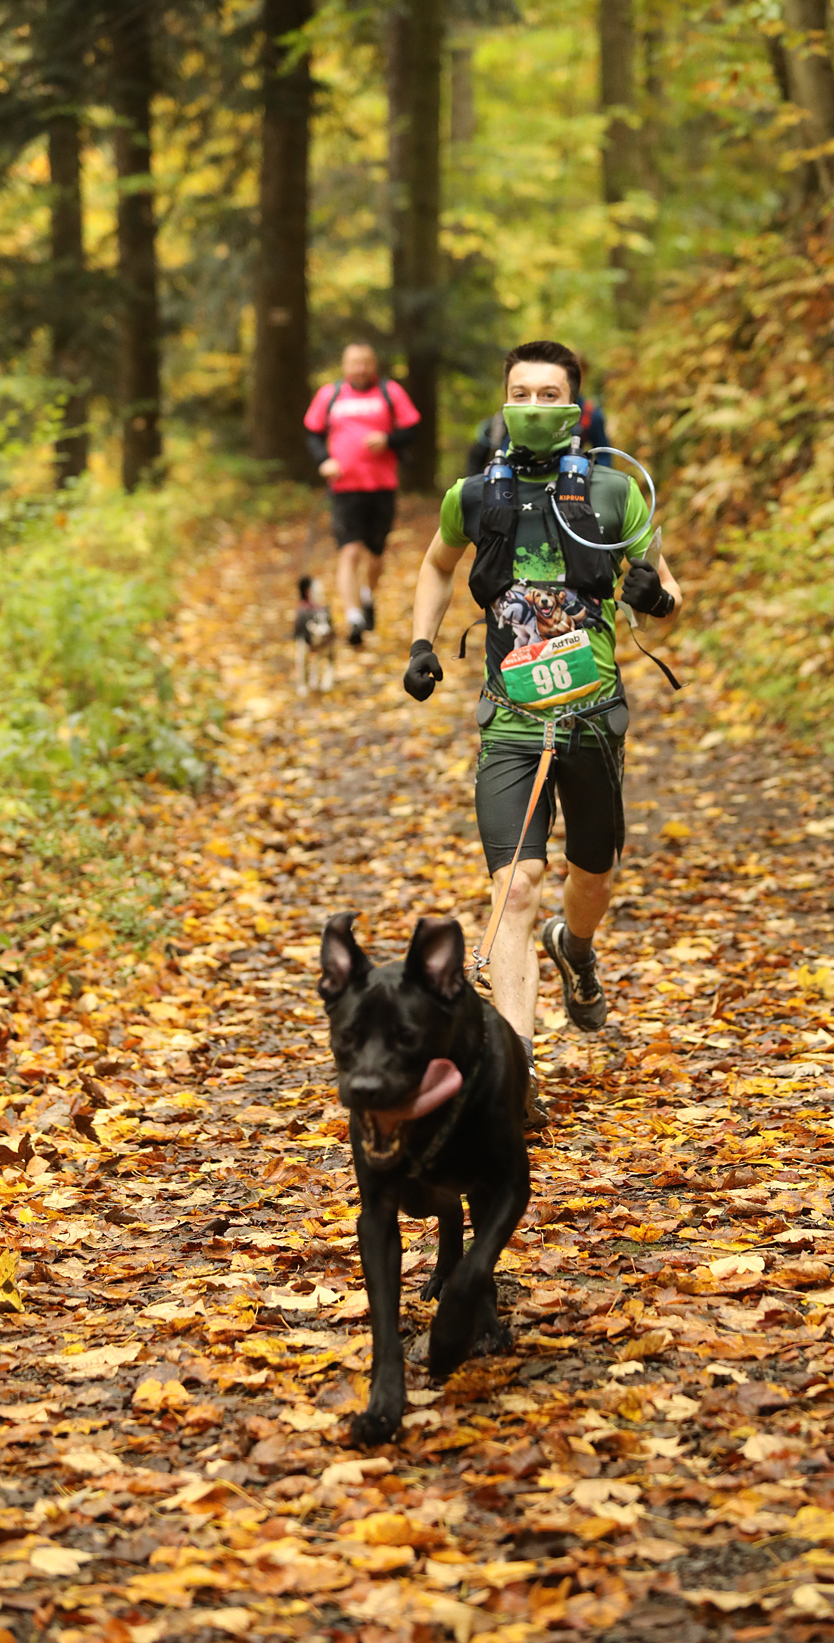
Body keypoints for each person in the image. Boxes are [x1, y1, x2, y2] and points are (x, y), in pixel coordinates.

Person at [403, 339, 681, 1121]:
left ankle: (576, 946)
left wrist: (657, 598)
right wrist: (422, 644)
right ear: (504, 402)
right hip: (511, 722)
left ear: (575, 406)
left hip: (592, 721)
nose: (532, 407)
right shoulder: (472, 495)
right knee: (516, 887)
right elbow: (436, 566)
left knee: (591, 879)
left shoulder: (616, 492)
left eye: (548, 394)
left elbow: (668, 587)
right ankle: (515, 1076)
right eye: (520, 393)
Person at [304, 343, 421, 647]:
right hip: (344, 487)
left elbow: (411, 429)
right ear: (345, 365)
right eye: (354, 362)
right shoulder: (329, 395)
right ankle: (353, 616)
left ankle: (367, 595)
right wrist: (323, 460)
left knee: (375, 554)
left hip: (382, 486)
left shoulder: (389, 392)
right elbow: (312, 433)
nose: (360, 368)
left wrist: (388, 440)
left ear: (374, 365)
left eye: (365, 362)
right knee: (350, 550)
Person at [466, 355, 611, 475]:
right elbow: (509, 447)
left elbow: (604, 455)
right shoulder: (533, 409)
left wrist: (596, 480)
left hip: (571, 478)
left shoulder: (591, 414)